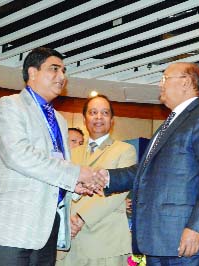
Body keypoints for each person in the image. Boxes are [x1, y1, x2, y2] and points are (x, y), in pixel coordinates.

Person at [0, 47, 104, 266]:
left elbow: (56, 167)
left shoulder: (61, 121)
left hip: (47, 231)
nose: (62, 76)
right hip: (10, 228)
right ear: (32, 72)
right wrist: (76, 173)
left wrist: (73, 185)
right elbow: (18, 156)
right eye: (54, 69)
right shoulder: (9, 105)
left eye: (63, 70)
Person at [99, 62, 199, 265]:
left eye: (165, 78)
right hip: (158, 242)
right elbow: (145, 171)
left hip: (186, 242)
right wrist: (105, 177)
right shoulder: (169, 124)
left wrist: (197, 228)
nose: (160, 85)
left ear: (185, 82)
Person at [57, 95, 136, 266]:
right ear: (84, 119)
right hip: (69, 242)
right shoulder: (71, 153)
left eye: (104, 113)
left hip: (105, 242)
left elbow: (116, 194)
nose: (98, 117)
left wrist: (80, 218)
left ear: (112, 120)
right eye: (93, 112)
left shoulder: (124, 150)